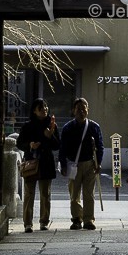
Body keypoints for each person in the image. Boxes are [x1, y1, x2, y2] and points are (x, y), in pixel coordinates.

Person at [58, 98, 103, 230]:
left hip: (90, 164)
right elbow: (63, 148)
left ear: (88, 110)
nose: (81, 112)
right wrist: (63, 165)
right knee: (74, 193)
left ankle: (89, 219)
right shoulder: (68, 128)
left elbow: (100, 146)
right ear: (73, 111)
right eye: (78, 109)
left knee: (89, 194)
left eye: (84, 109)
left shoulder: (94, 127)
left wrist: (98, 162)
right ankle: (77, 219)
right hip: (73, 164)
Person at [17, 99, 60, 232]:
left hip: (46, 162)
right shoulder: (27, 125)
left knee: (45, 194)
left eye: (46, 107)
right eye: (41, 108)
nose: (44, 110)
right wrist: (29, 145)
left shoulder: (52, 125)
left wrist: (50, 136)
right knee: (29, 193)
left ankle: (44, 221)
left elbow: (57, 145)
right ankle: (28, 223)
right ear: (34, 110)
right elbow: (19, 143)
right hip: (31, 161)